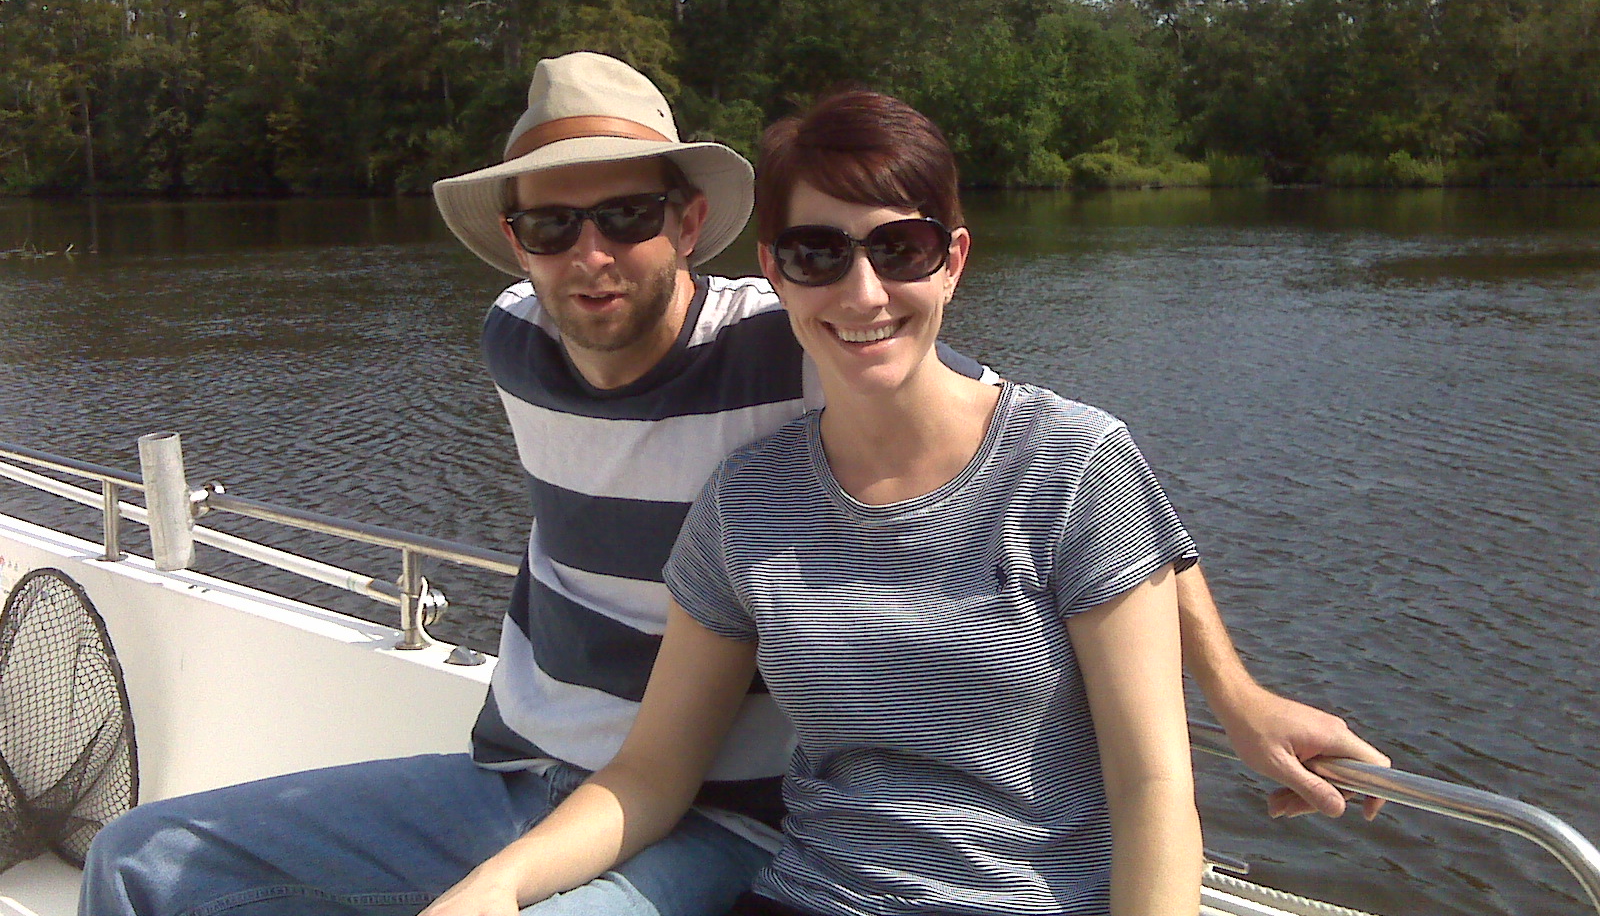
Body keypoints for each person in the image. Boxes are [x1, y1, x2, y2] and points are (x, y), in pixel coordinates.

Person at [80, 53, 1385, 916]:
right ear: (516, 243)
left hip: (728, 821)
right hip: (525, 775)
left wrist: (1233, 692)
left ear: (690, 223)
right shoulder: (518, 346)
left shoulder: (810, 342)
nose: (591, 256)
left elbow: (1059, 480)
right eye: (552, 226)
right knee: (141, 865)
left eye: (625, 217)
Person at [424, 90, 1202, 916]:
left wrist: (1241, 699)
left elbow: (1153, 788)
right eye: (817, 254)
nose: (863, 293)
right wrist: (497, 886)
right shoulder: (746, 503)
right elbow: (651, 773)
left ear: (953, 261)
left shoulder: (1073, 466)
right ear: (776, 271)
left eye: (901, 249)